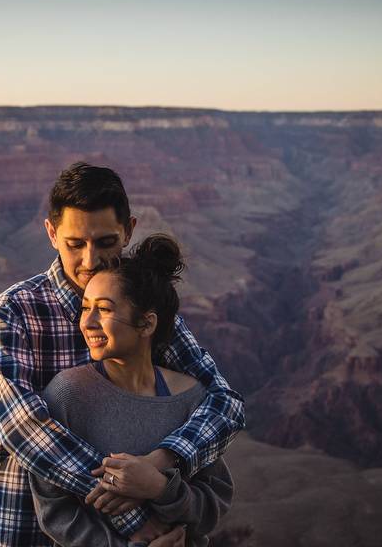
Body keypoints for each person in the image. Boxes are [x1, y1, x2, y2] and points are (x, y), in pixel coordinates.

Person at [0, 162, 244, 546]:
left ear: (129, 231)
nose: (90, 261)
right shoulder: (14, 311)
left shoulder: (141, 309)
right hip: (25, 526)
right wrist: (133, 512)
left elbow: (226, 405)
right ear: (52, 234)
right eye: (75, 244)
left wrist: (159, 466)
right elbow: (23, 427)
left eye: (105, 242)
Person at [30, 234, 233, 547]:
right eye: (85, 308)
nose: (88, 322)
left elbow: (212, 505)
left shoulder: (190, 399)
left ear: (146, 324)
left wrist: (159, 487)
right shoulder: (66, 395)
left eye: (105, 309)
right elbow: (55, 511)